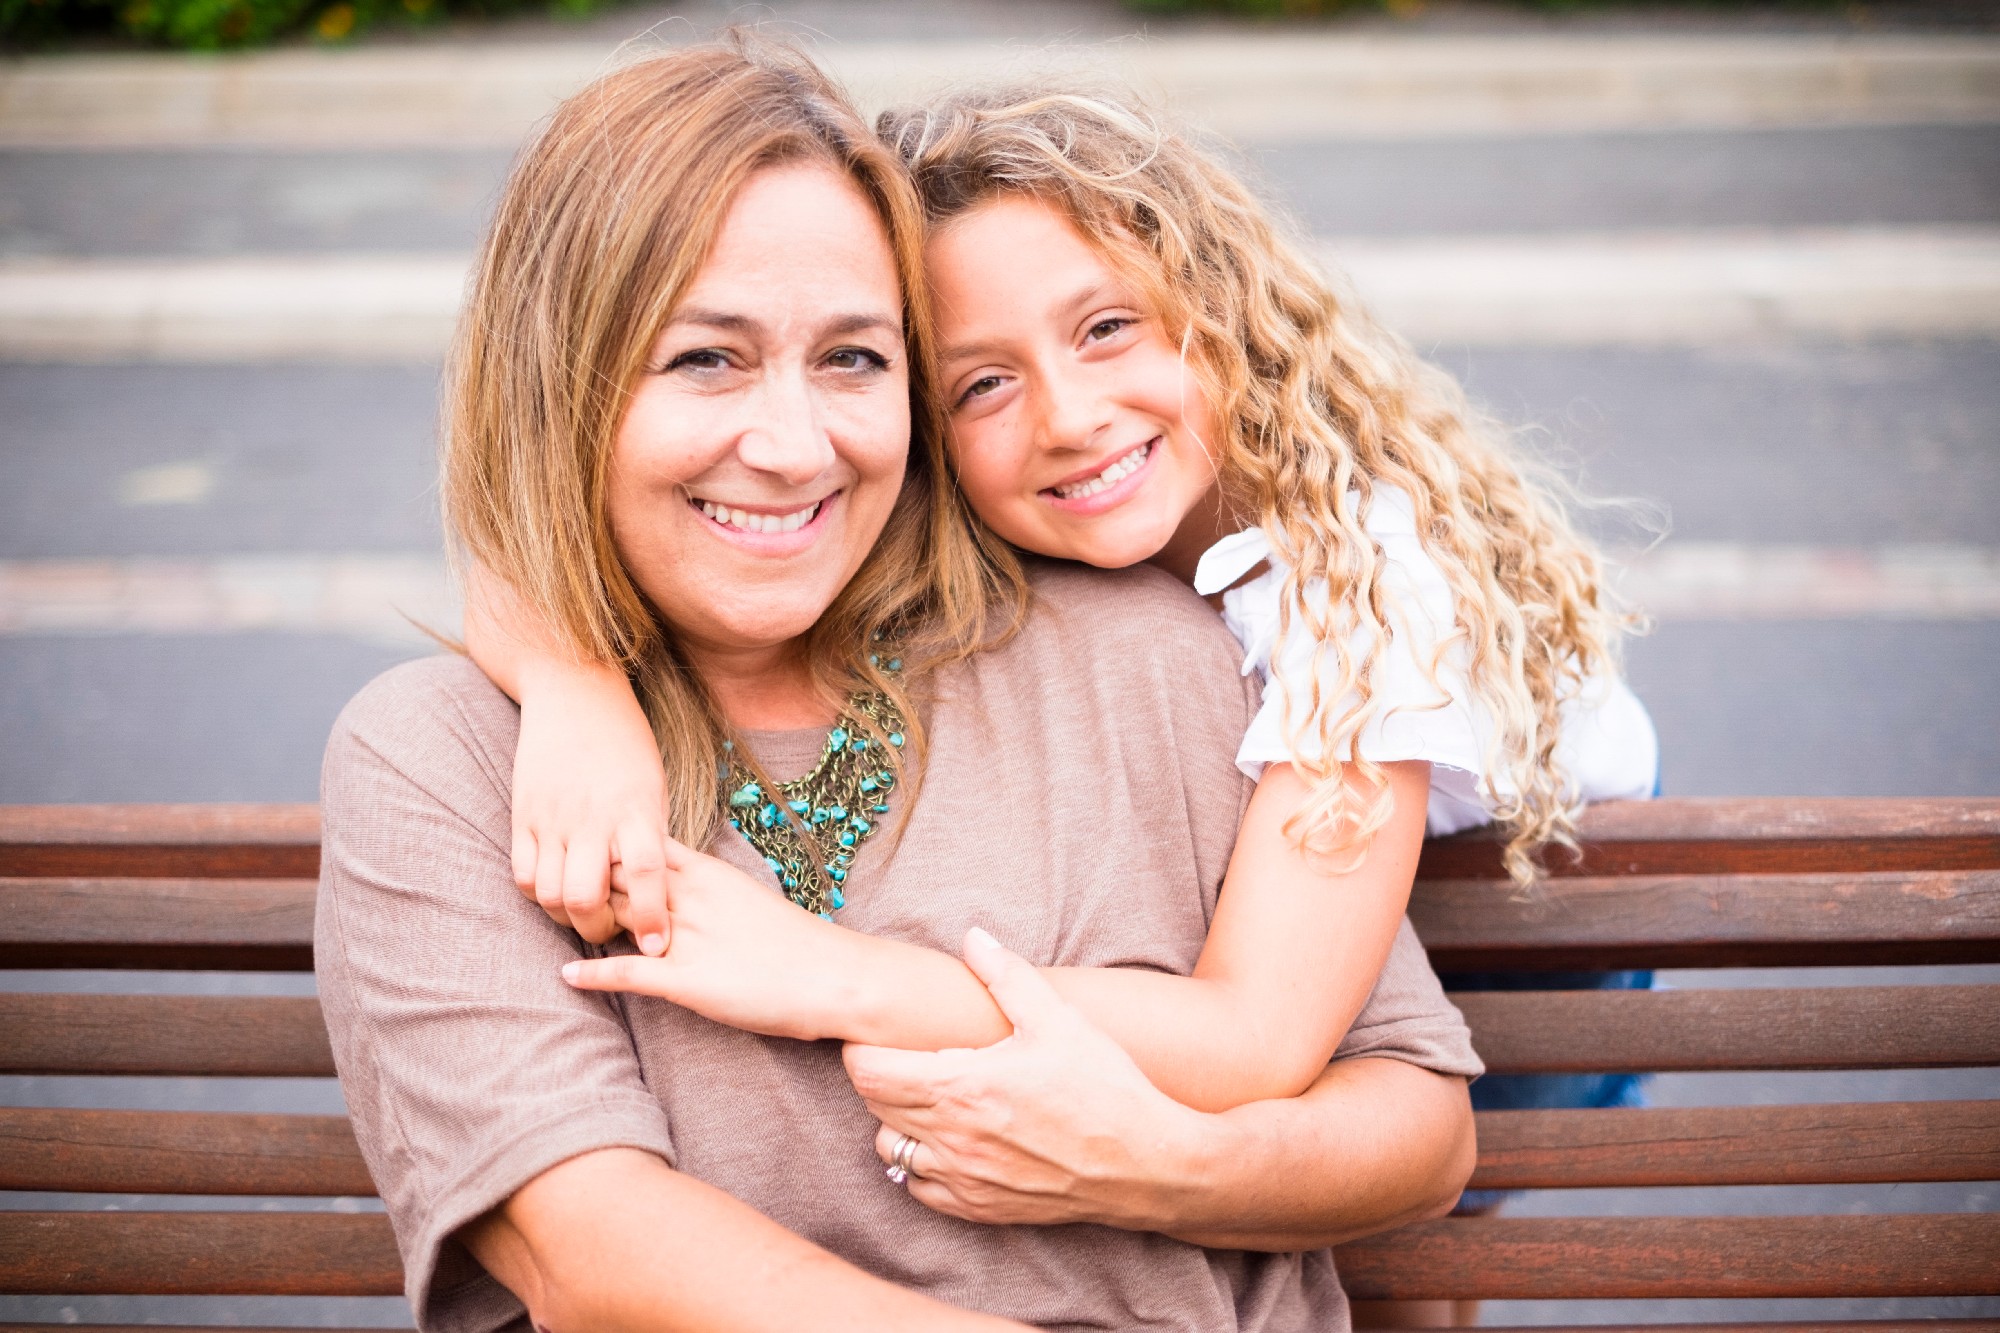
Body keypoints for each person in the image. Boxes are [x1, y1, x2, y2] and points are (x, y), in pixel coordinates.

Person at [317, 41, 1480, 1333]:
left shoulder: (1147, 647)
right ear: (559, 380)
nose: (793, 445)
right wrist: (574, 674)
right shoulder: (446, 758)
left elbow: (1414, 1125)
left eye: (852, 359)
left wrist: (1160, 1165)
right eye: (707, 358)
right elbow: (592, 1254)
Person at [469, 79, 1659, 1153]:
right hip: (1338, 919)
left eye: (1105, 329)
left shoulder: (1361, 591)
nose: (1068, 417)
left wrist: (833, 975)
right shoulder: (989, 508)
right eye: (982, 382)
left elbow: (1255, 1037)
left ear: (1221, 311)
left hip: (1531, 935)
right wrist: (578, 690)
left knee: (1398, 1262)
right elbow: (518, 544)